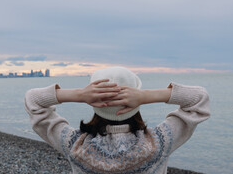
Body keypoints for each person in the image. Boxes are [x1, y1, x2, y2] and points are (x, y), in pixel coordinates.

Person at [25, 66, 210, 174]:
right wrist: (146, 96)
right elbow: (199, 98)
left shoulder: (75, 145)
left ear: (93, 101)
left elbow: (33, 101)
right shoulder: (158, 143)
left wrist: (79, 94)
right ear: (135, 100)